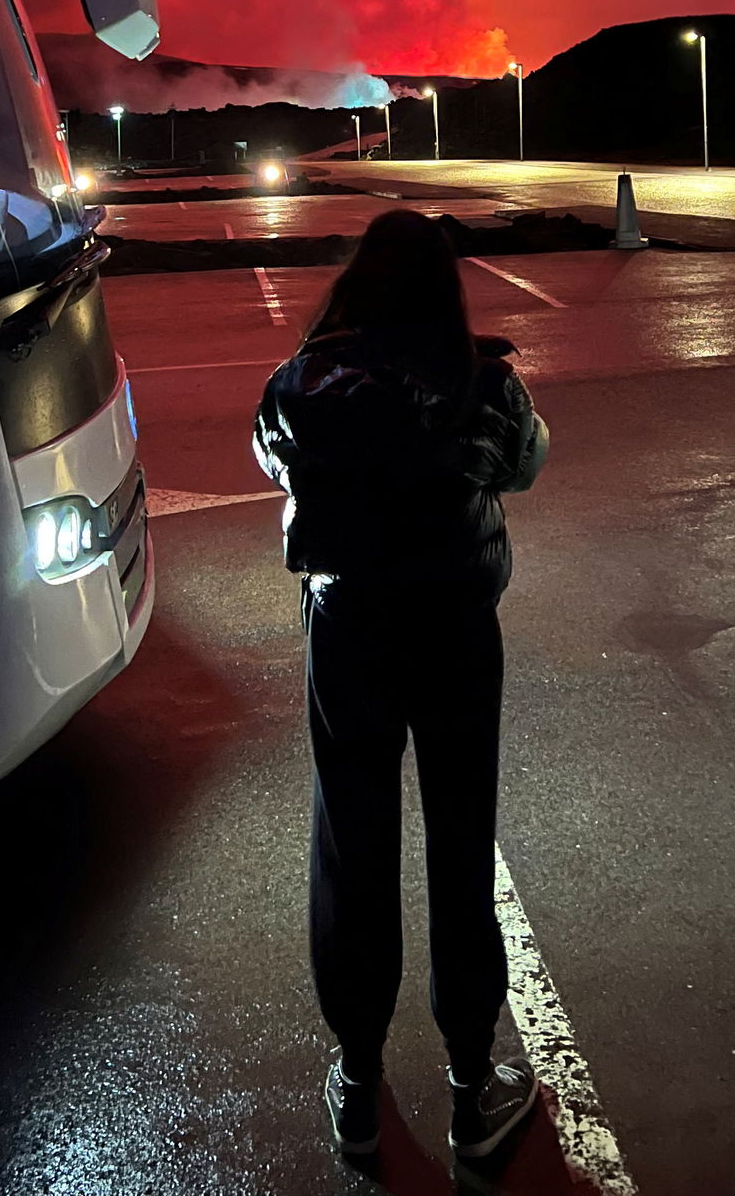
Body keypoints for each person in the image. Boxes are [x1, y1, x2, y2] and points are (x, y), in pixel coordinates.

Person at [253, 208, 549, 1161]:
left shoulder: (302, 381)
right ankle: (471, 1080)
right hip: (457, 625)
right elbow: (527, 464)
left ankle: (357, 1080)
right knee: (463, 838)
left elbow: (271, 458)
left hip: (348, 626)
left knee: (353, 835)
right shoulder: (483, 381)